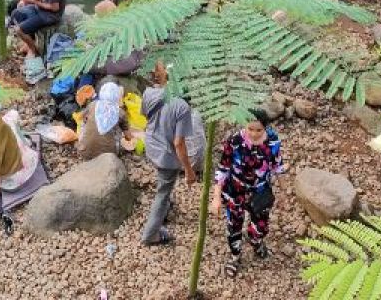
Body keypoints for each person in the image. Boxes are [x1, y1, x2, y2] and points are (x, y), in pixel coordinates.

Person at [141, 61, 204, 246]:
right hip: (166, 155)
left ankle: (165, 208)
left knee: (163, 183)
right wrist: (189, 171)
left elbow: (146, 116)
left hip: (151, 146)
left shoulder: (148, 93)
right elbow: (179, 143)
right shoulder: (181, 106)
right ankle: (150, 234)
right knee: (163, 192)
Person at [211, 112, 282, 277]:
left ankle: (255, 240)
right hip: (235, 191)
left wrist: (284, 189)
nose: (254, 133)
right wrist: (216, 197)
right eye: (250, 129)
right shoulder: (234, 141)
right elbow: (223, 169)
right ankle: (235, 256)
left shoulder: (272, 140)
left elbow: (277, 165)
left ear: (265, 127)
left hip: (260, 191)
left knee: (261, 226)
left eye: (258, 130)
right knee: (234, 226)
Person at [77, 82, 128, 160]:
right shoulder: (120, 112)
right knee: (118, 130)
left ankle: (84, 143)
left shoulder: (92, 105)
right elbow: (128, 136)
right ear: (117, 97)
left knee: (84, 124)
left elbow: (82, 118)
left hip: (84, 152)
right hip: (109, 156)